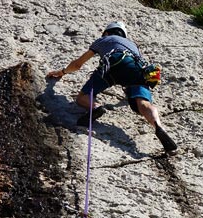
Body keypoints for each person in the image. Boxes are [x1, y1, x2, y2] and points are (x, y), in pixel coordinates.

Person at [46, 21, 178, 153]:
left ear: (107, 32)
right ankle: (158, 126)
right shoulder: (133, 46)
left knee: (83, 97)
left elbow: (78, 64)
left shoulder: (105, 39)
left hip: (113, 66)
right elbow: (129, 70)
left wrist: (62, 72)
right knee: (143, 103)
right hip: (137, 69)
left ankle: (96, 107)